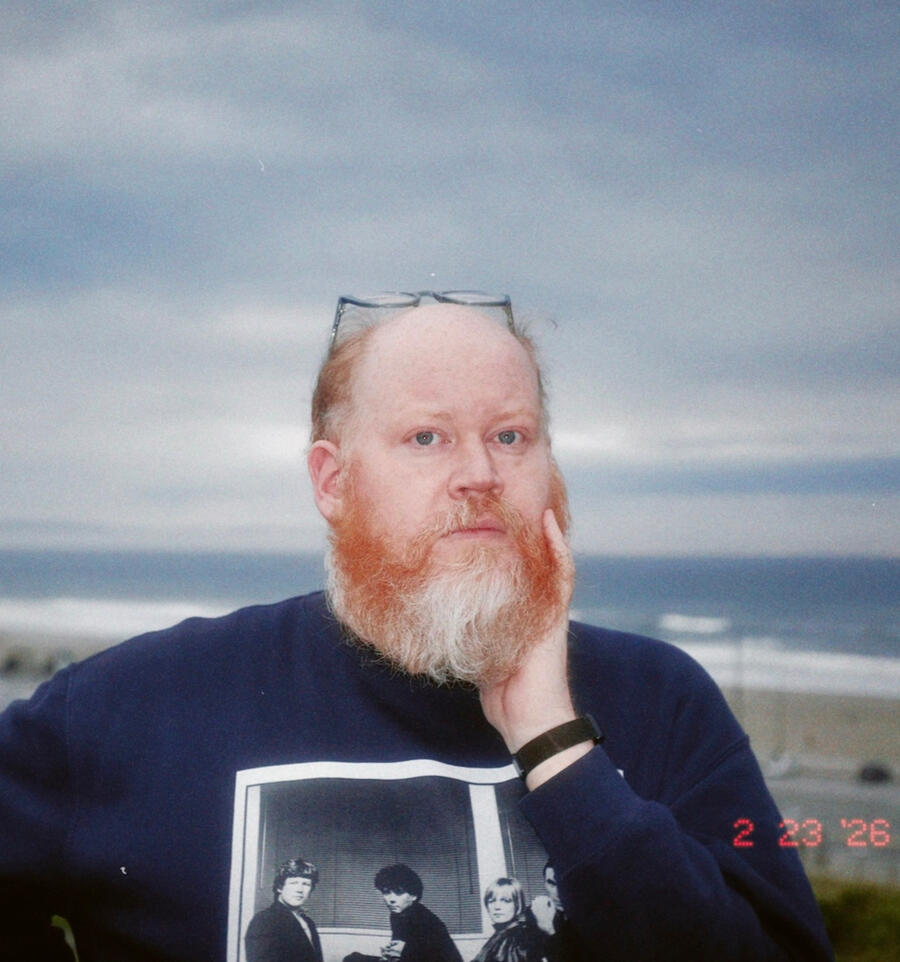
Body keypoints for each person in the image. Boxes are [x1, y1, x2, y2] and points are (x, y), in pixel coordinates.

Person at [0, 291, 833, 960]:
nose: (480, 473)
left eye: (511, 435)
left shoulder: (663, 702)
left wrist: (555, 744)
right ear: (333, 483)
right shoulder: (138, 705)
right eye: (427, 437)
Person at [343, 863, 461, 962]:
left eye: (398, 892)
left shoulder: (425, 920)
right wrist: (389, 955)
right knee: (353, 959)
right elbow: (399, 950)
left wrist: (399, 955)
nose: (391, 899)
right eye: (386, 892)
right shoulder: (397, 914)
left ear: (414, 896)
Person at [245, 857, 323, 962]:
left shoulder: (308, 922)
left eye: (306, 884)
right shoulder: (264, 920)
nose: (300, 890)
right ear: (280, 887)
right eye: (293, 883)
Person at [473, 877, 546, 962]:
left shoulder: (518, 940)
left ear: (517, 904)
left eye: (505, 901)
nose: (497, 907)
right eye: (492, 901)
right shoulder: (500, 934)